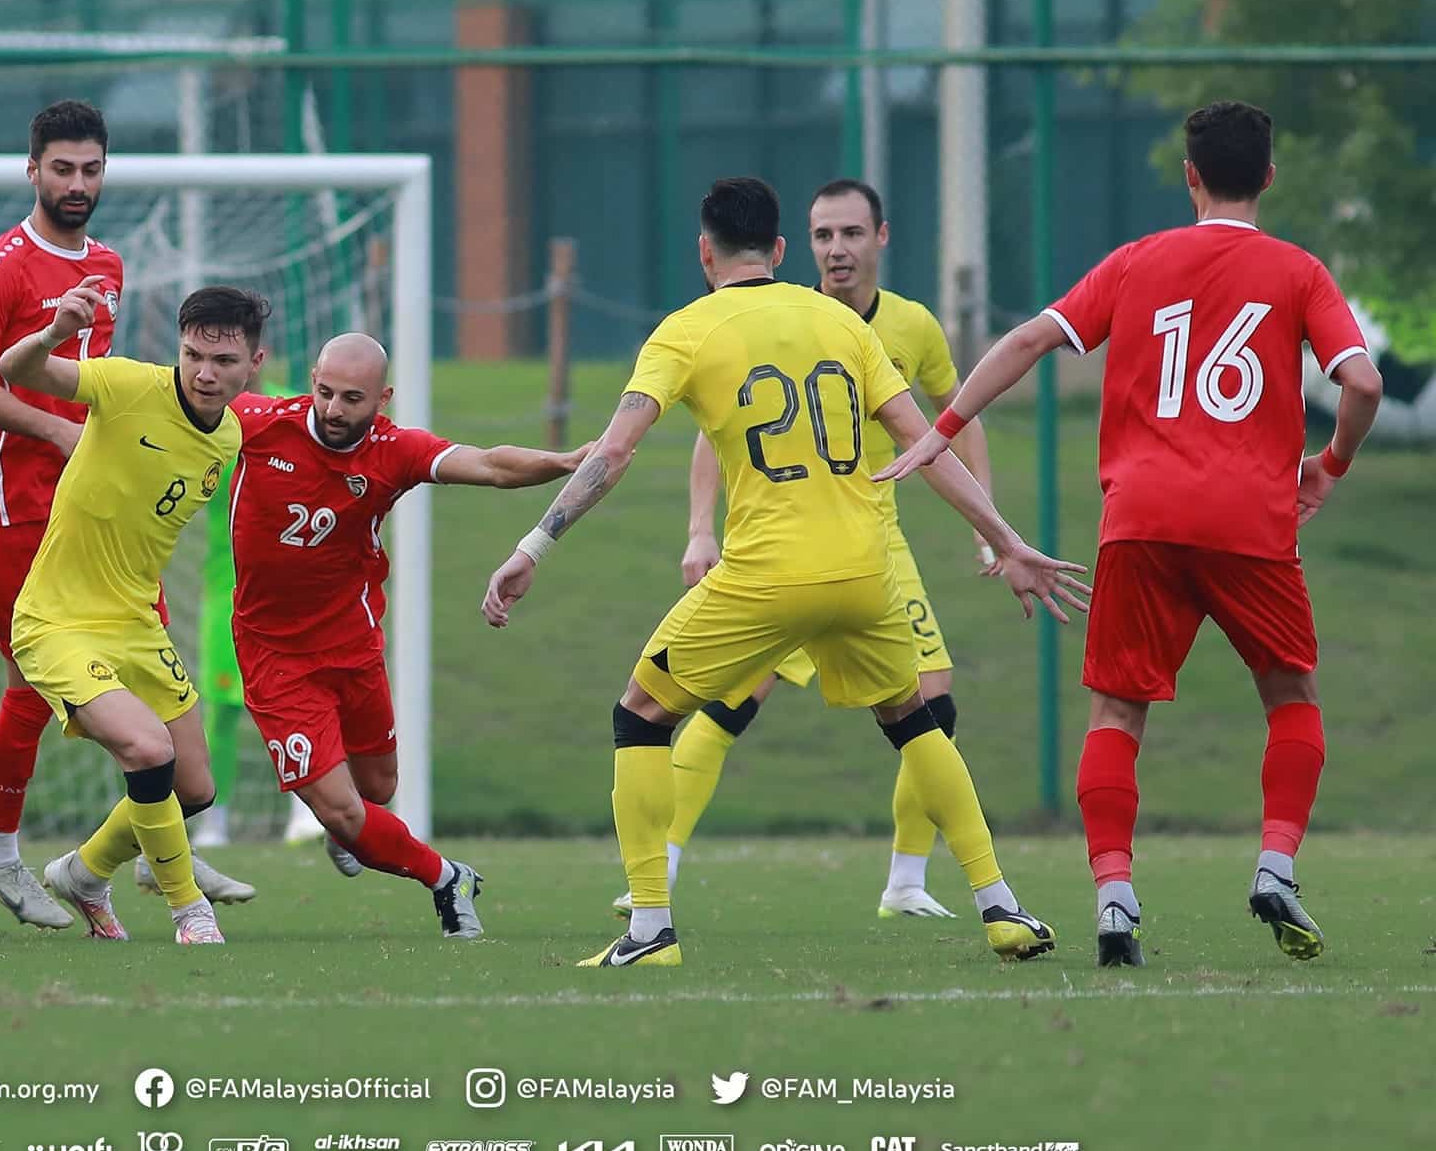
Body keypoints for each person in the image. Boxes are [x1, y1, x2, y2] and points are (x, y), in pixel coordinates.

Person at [483, 176, 1087, 969]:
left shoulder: (684, 331)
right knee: (912, 720)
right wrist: (1005, 540)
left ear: (705, 254)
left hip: (766, 577)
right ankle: (1001, 906)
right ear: (778, 250)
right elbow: (925, 441)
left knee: (642, 715)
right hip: (866, 572)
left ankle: (649, 930)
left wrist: (534, 545)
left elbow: (614, 451)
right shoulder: (843, 323)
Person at [880, 101, 1384, 967]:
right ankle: (1275, 867)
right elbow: (1364, 383)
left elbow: (1033, 338)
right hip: (1250, 523)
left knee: (1118, 708)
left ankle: (1115, 898)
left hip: (1142, 519)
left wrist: (942, 424)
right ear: (1268, 175)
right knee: (1291, 697)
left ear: (1188, 175)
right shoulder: (1297, 270)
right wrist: (1328, 466)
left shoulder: (1135, 263)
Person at [617, 178, 995, 921]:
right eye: (825, 236)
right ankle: (658, 867)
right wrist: (702, 529)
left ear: (881, 237)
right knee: (728, 703)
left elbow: (951, 424)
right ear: (798, 247)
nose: (838, 250)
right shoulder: (787, 319)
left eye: (852, 234)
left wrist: (989, 525)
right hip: (788, 545)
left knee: (932, 701)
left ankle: (907, 881)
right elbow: (710, 430)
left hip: (872, 537)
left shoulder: (910, 327)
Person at [0, 98, 254, 926]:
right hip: (20, 509)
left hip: (108, 523)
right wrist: (57, 430)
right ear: (33, 169)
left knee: (158, 714)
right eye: (62, 169)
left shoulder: (109, 266)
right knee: (29, 685)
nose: (78, 184)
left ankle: (129, 857)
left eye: (92, 169)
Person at [227, 332, 590, 937]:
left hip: (352, 644)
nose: (335, 410)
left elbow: (490, 465)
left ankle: (359, 832)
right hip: (273, 654)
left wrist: (563, 462)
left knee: (378, 790)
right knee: (344, 813)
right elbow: (170, 416)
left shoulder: (393, 450)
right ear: (311, 380)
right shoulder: (256, 423)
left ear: (383, 398)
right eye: (325, 393)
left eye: (352, 398)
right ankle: (447, 878)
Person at [0, 282, 273, 945]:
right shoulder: (124, 385)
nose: (206, 373)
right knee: (147, 752)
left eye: (224, 362)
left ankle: (84, 873)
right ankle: (188, 910)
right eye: (193, 355)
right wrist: (54, 331)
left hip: (135, 623)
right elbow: (14, 371)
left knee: (195, 786)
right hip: (57, 620)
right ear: (176, 349)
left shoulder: (228, 434)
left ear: (253, 364)